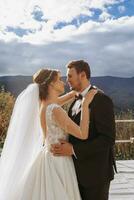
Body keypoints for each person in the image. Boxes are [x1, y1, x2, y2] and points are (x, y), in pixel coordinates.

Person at [0, 68, 97, 200]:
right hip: (59, 162)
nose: (63, 82)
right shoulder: (55, 110)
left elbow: (57, 102)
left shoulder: (43, 106)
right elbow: (82, 134)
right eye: (59, 79)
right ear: (51, 84)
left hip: (47, 157)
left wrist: (72, 94)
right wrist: (85, 105)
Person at [51, 60, 117, 200]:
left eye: (70, 76)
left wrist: (73, 150)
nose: (67, 80)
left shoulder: (101, 99)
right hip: (74, 172)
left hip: (95, 175)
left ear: (82, 75)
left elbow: (108, 138)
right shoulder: (75, 99)